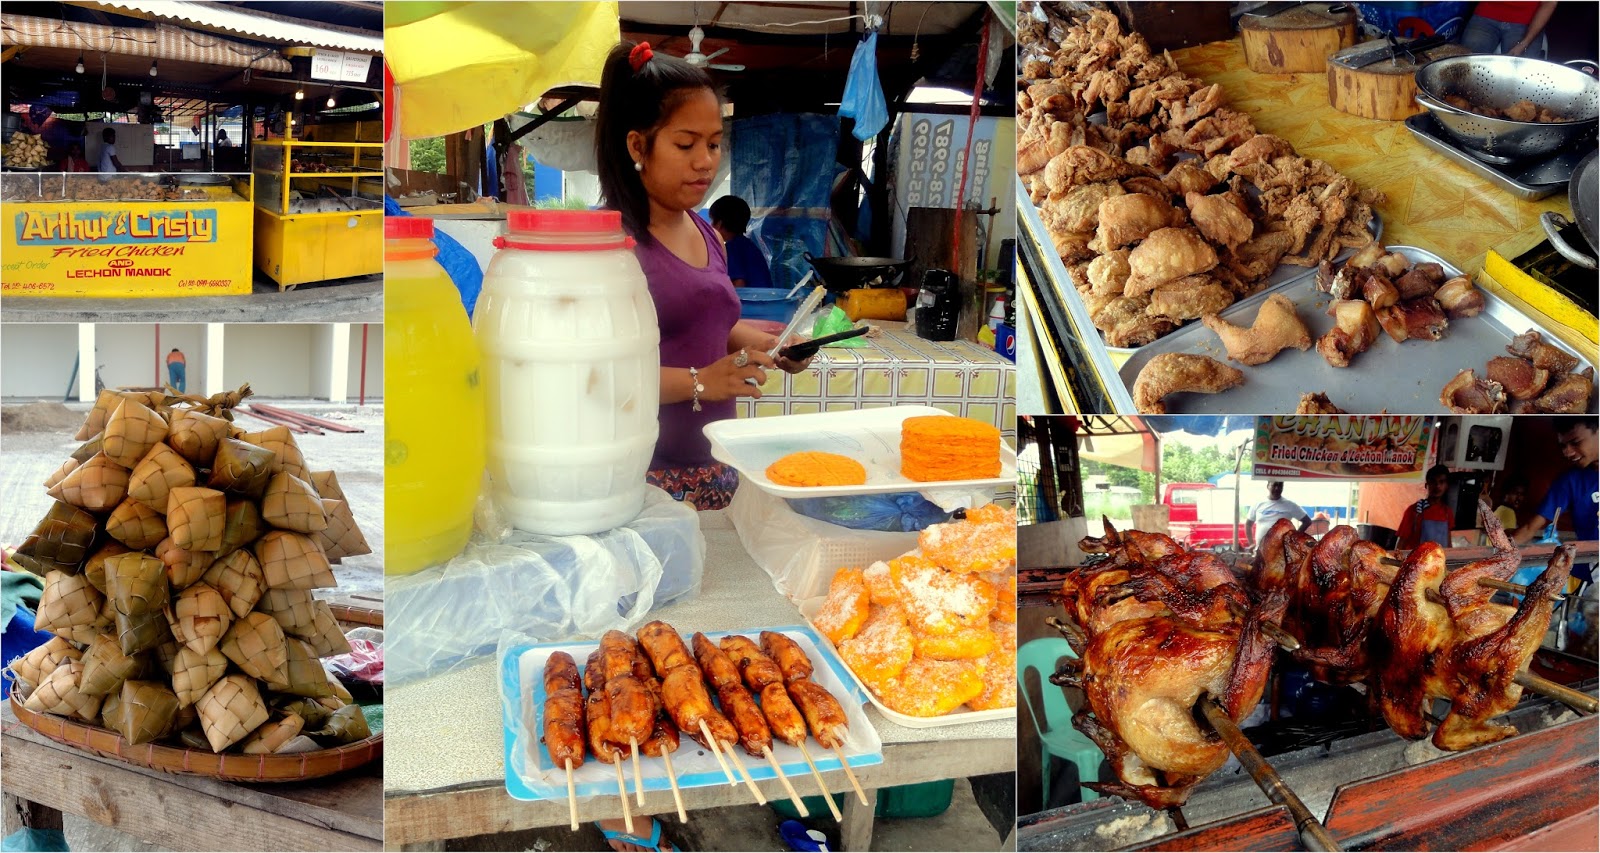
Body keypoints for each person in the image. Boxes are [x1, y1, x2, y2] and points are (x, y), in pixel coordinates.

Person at [595, 40, 811, 523]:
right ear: (637, 146)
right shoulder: (609, 244)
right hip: (643, 479)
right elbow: (595, 379)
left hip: (715, 464)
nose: (705, 161)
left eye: (713, 144)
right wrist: (701, 381)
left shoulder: (707, 232)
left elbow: (709, 322)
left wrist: (770, 346)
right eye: (685, 144)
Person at [1512, 417, 1598, 584]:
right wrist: (1495, 558)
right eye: (1563, 446)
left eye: (1575, 442)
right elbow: (1530, 528)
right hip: (1592, 575)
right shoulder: (1570, 481)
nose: (1568, 452)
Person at [708, 195, 773, 288]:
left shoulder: (732, 248)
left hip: (752, 297)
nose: (710, 225)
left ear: (719, 224)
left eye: (711, 220)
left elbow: (739, 284)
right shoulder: (746, 245)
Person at [1459, 1, 1557, 56]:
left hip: (1526, 20)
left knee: (1521, 70)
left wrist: (1524, 43)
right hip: (1487, 13)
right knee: (1466, 63)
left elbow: (1549, 3)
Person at [1398, 464, 1454, 550]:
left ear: (1446, 486)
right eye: (1433, 482)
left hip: (1439, 557)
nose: (1437, 486)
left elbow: (1448, 543)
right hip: (1417, 558)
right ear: (1426, 485)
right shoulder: (1414, 510)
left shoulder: (1447, 512)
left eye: (1441, 482)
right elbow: (1401, 542)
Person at [1246, 481, 1312, 550]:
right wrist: (1251, 543)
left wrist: (1294, 537)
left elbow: (1307, 521)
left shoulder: (1290, 505)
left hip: (1281, 551)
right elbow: (1248, 524)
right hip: (1261, 550)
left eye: (1280, 485)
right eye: (1274, 485)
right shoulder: (1258, 503)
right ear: (1268, 486)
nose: (1277, 488)